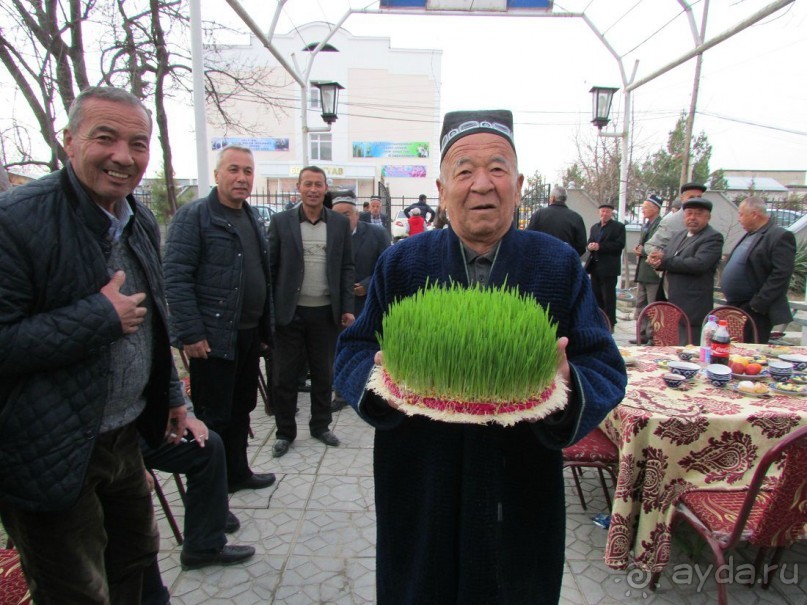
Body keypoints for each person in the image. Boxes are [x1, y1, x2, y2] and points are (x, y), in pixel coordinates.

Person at [333, 109, 626, 604]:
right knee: (420, 586)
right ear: (442, 186)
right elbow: (354, 349)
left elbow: (603, 364)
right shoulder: (403, 263)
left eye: (497, 168)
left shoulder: (557, 264)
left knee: (514, 585)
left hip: (519, 478)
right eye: (464, 170)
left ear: (520, 183)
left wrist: (566, 384)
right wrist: (379, 384)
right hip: (422, 475)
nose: (482, 184)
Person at [0, 86, 187, 604]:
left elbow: (152, 322)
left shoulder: (139, 219)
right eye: (105, 138)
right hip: (49, 450)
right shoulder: (16, 221)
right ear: (69, 141)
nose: (124, 157)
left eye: (139, 143)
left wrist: (172, 394)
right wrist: (97, 317)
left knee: (133, 564)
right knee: (75, 588)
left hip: (123, 437)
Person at [163, 145, 276, 493]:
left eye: (248, 171)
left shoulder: (252, 217)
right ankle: (213, 494)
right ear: (216, 175)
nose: (242, 178)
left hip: (245, 334)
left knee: (243, 407)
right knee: (214, 417)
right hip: (211, 339)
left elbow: (259, 275)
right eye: (233, 170)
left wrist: (263, 328)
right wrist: (192, 333)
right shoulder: (195, 216)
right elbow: (176, 277)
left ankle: (238, 472)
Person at [268, 166, 355, 458]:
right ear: (299, 187)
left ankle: (320, 426)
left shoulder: (339, 225)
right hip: (290, 313)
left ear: (326, 188)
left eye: (319, 184)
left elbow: (346, 267)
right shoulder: (281, 223)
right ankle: (284, 432)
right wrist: (272, 311)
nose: (313, 189)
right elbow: (272, 268)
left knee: (323, 373)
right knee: (284, 377)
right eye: (308, 184)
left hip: (325, 313)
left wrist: (347, 308)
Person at [140, 411, 255, 572]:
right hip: (108, 442)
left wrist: (186, 416)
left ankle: (203, 546)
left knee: (208, 444)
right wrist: (131, 461)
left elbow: (170, 386)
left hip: (144, 424)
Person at [330, 193, 391, 411]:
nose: (343, 220)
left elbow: (387, 266)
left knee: (367, 348)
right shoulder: (328, 236)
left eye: (347, 214)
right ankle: (340, 393)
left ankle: (371, 389)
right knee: (338, 346)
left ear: (357, 214)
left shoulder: (377, 233)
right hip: (337, 302)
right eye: (337, 216)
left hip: (367, 302)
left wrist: (367, 284)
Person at [647, 197, 724, 344]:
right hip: (670, 299)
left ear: (708, 217)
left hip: (692, 306)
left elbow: (698, 264)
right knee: (668, 347)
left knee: (688, 348)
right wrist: (656, 261)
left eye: (698, 214)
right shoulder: (679, 235)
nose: (692, 218)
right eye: (689, 213)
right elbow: (667, 258)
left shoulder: (713, 238)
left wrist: (665, 260)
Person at [722, 196, 796, 343]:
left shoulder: (779, 236)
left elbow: (781, 274)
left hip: (755, 309)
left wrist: (758, 303)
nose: (739, 219)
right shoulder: (750, 235)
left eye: (741, 214)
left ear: (755, 214)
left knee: (750, 352)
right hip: (736, 305)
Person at [585, 203, 626, 331]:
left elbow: (619, 245)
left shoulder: (618, 227)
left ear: (611, 213)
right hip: (595, 267)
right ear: (599, 212)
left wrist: (600, 247)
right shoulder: (595, 227)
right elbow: (590, 241)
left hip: (609, 268)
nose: (604, 214)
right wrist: (590, 246)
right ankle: (598, 320)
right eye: (602, 211)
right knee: (596, 295)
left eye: (607, 212)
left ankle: (610, 323)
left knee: (608, 297)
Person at [630, 194, 664, 344]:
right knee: (640, 304)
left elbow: (656, 248)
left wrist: (642, 251)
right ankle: (641, 334)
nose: (642, 210)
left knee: (652, 306)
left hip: (652, 273)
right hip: (643, 271)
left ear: (655, 209)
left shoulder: (661, 225)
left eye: (645, 207)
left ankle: (652, 336)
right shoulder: (647, 225)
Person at [526, 185, 586, 256]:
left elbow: (528, 237)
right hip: (565, 261)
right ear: (565, 199)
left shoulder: (538, 215)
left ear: (552, 198)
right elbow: (581, 246)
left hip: (542, 259)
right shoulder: (576, 218)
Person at [646, 182, 705, 253]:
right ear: (682, 199)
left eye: (699, 197)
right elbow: (650, 246)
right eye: (691, 197)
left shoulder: (705, 219)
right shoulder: (671, 222)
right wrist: (664, 257)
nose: (696, 201)